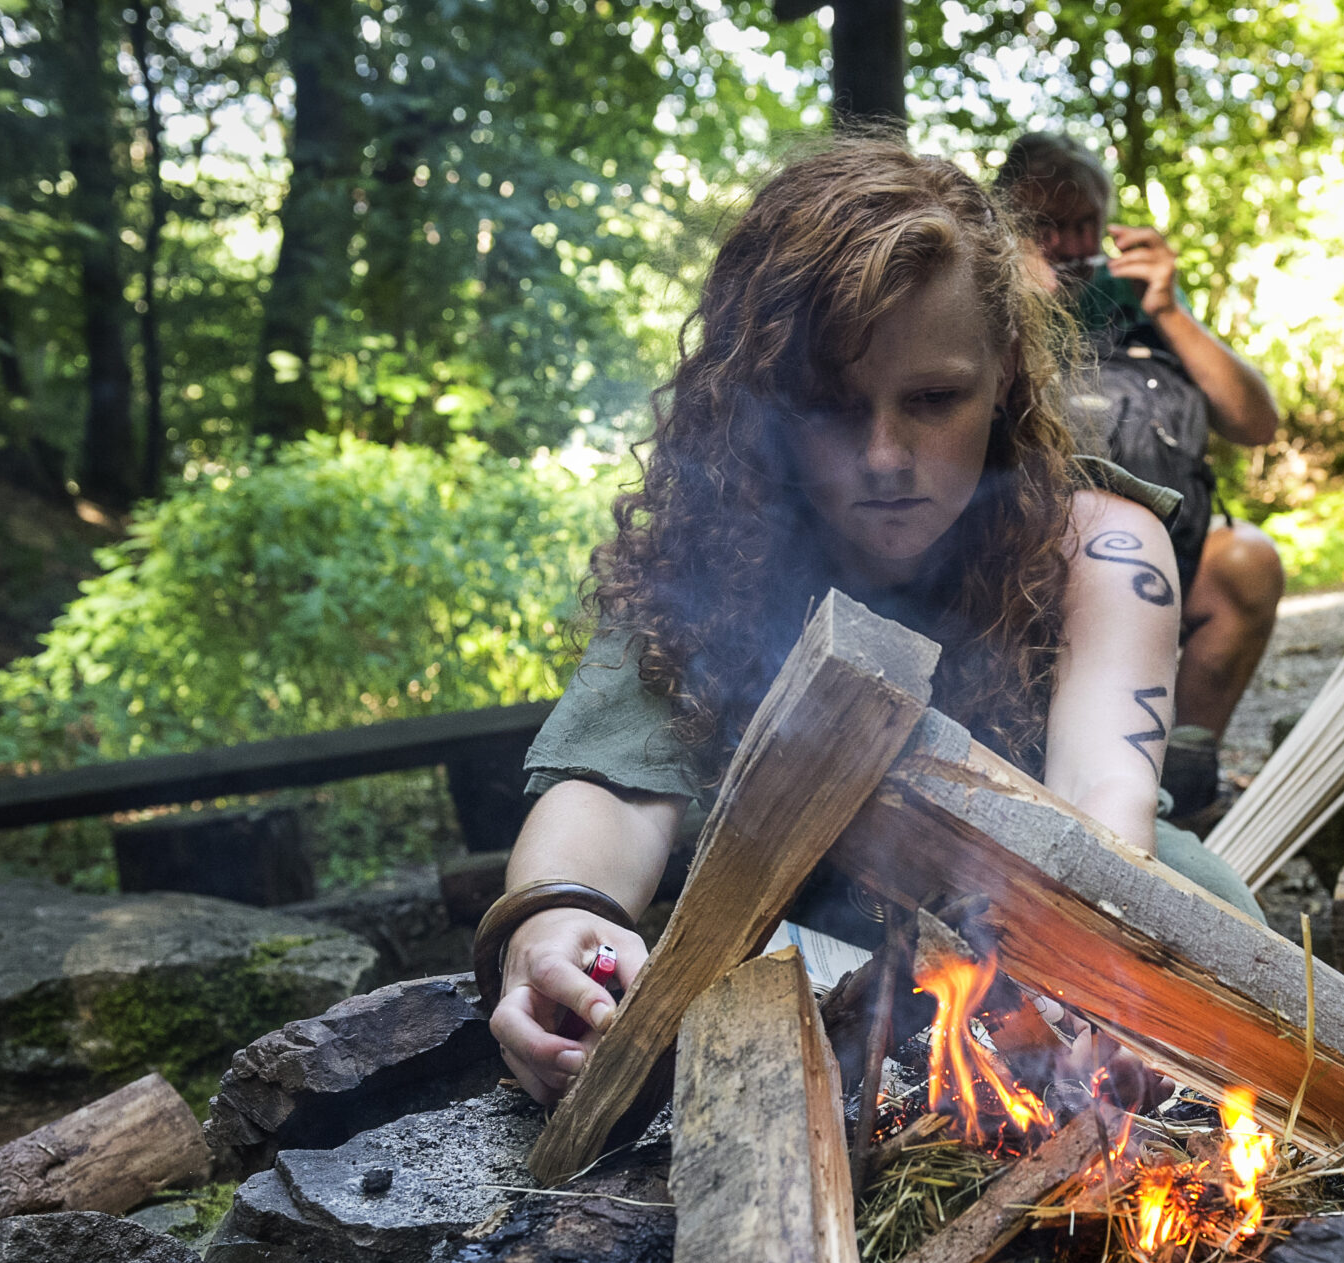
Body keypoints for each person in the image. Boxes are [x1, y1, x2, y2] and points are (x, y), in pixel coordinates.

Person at [487, 139, 1262, 1105]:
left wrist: (1096, 981)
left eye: (934, 400)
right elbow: (610, 789)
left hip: (1037, 932)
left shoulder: (1098, 544)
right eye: (831, 408)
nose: (885, 455)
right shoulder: (713, 549)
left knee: (1229, 956)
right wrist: (556, 922)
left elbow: (1103, 820)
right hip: (782, 937)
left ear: (1008, 368)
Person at [996, 132, 1287, 824]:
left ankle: (1178, 777)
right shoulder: (981, 306)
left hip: (1169, 559)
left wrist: (1166, 307)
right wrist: (1016, 300)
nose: (1068, 244)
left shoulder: (1146, 315)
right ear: (1007, 225)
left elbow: (1256, 422)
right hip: (1026, 564)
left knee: (1248, 559)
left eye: (1084, 224)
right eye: (1045, 226)